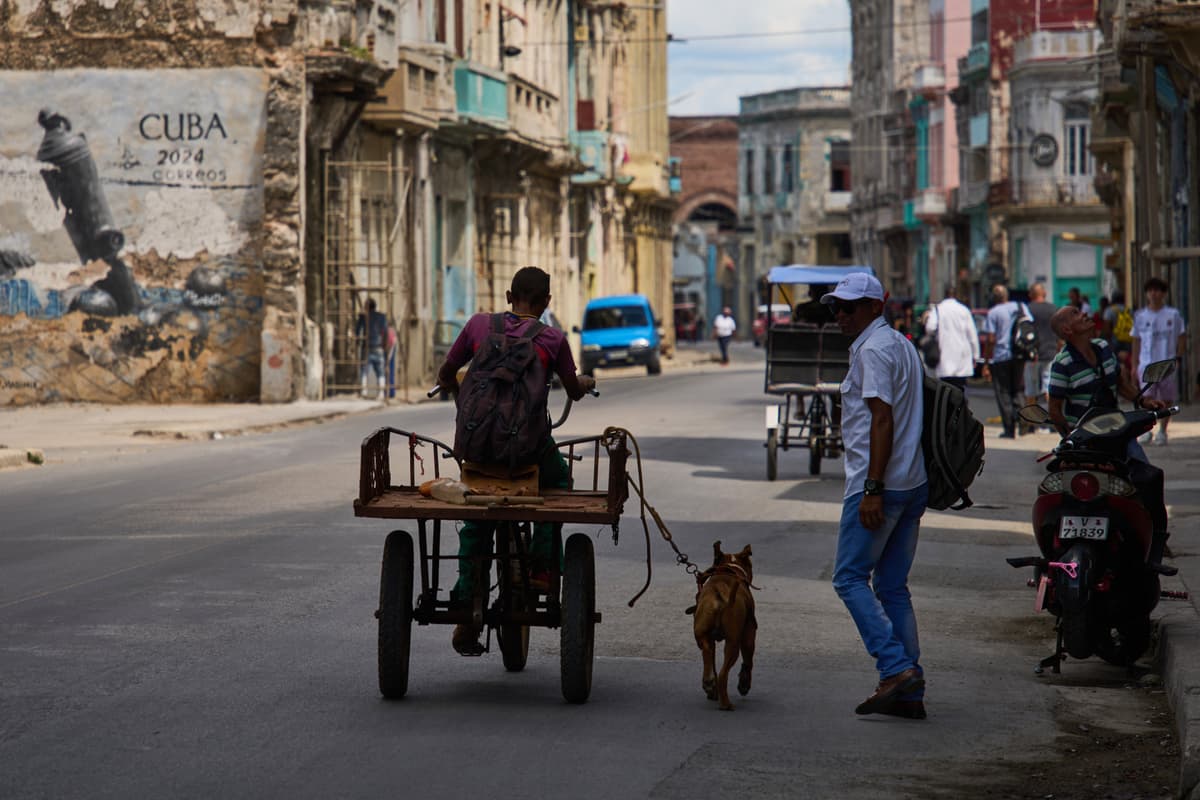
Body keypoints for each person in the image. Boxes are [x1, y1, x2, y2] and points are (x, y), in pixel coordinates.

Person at [435, 267, 597, 655]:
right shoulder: (553, 339)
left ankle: (464, 598)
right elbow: (572, 389)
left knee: (475, 515)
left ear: (509, 297)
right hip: (528, 452)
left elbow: (446, 372)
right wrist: (585, 383)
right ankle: (541, 569)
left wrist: (454, 389)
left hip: (476, 451)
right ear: (546, 303)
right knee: (558, 482)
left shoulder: (477, 325)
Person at [821, 273, 929, 720]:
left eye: (848, 308)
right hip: (911, 482)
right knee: (891, 587)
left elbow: (881, 420)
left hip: (881, 486)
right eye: (836, 309)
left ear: (873, 306)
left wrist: (871, 489)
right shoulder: (901, 344)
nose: (840, 316)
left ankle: (896, 667)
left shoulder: (874, 350)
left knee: (848, 579)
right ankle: (909, 694)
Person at [1046, 305, 1169, 563]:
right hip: (1082, 442)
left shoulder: (1103, 348)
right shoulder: (1062, 363)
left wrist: (1142, 401)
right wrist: (1069, 438)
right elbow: (1055, 409)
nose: (1085, 315)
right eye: (1077, 315)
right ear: (1068, 330)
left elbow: (1121, 384)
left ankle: (1156, 540)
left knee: (1146, 479)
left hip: (1116, 435)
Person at [1131, 277, 1186, 446]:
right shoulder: (1140, 316)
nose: (1153, 294)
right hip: (1146, 364)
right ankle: (1146, 430)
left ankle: (1162, 431)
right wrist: (1134, 364)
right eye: (1150, 291)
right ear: (1147, 294)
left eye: (1157, 291)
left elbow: (1182, 337)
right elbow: (1136, 340)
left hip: (1166, 364)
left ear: (1163, 294)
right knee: (1147, 398)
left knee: (1166, 400)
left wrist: (1178, 357)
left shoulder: (1173, 315)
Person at [981, 285, 1026, 439]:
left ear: (994, 298)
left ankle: (1009, 429)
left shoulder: (993, 313)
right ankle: (1024, 421)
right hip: (1019, 355)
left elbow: (991, 339)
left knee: (1004, 392)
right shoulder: (1020, 307)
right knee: (1018, 389)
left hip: (1001, 357)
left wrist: (987, 362)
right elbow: (1028, 327)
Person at [923, 290, 979, 391]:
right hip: (962, 358)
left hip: (945, 356)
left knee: (946, 389)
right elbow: (972, 335)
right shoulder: (964, 310)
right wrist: (975, 355)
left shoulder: (938, 310)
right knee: (961, 388)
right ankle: (961, 405)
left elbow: (930, 328)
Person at [1021, 283, 1058, 417]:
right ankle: (1053, 419)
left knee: (1031, 389)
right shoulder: (1053, 309)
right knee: (1049, 388)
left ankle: (1031, 420)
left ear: (1031, 295)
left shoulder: (1026, 309)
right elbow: (1059, 332)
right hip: (1050, 353)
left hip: (1031, 355)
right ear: (1044, 294)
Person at [355, 298, 389, 399]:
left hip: (367, 347)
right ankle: (381, 394)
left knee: (364, 370)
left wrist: (357, 342)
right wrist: (384, 345)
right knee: (380, 371)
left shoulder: (363, 317)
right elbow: (385, 332)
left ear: (367, 307)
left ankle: (364, 392)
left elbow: (357, 331)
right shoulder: (381, 316)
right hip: (378, 347)